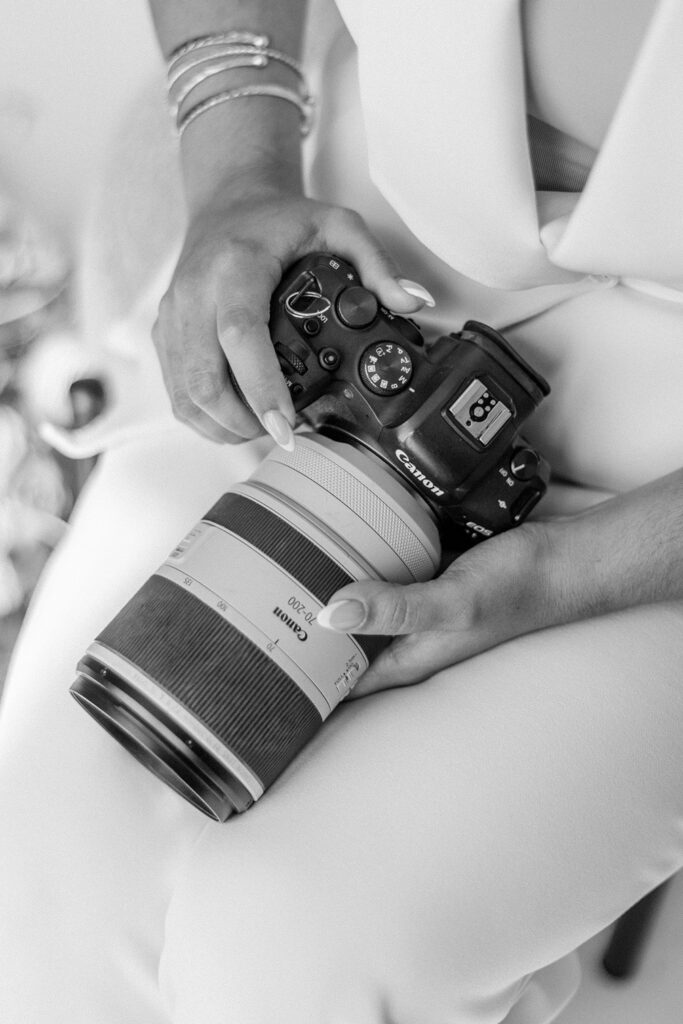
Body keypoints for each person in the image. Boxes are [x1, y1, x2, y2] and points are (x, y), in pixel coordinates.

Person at [1, 1, 683, 1022]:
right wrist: (239, 168)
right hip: (349, 306)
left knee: (295, 963)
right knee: (39, 860)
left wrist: (569, 572)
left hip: (655, 518)